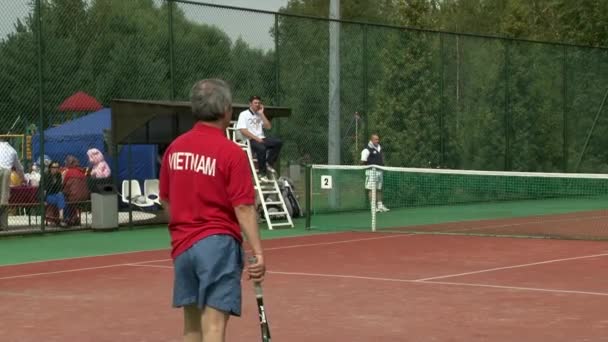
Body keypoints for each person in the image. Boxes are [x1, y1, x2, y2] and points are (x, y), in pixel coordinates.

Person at [159, 79, 266, 342]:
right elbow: (243, 207)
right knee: (214, 327)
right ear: (227, 110)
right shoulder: (231, 153)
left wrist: (181, 229)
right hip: (217, 244)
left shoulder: (174, 149)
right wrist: (258, 252)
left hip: (183, 246)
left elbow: (166, 200)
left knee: (192, 327)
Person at [236, 95, 282, 182]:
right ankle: (262, 174)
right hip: (249, 140)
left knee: (278, 142)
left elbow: (268, 127)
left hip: (261, 138)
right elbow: (243, 130)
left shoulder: (259, 114)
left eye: (259, 103)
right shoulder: (244, 114)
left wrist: (261, 114)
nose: (257, 104)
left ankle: (268, 163)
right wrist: (256, 138)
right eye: (255, 103)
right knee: (262, 148)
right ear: (250, 104)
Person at [0, 139, 25, 230]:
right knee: (4, 199)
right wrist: (23, 178)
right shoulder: (12, 150)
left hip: (4, 169)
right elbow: (19, 168)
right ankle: (3, 225)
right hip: (6, 171)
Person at [361, 133, 389, 212]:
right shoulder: (367, 150)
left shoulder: (379, 148)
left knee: (379, 188)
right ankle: (373, 207)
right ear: (372, 140)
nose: (377, 141)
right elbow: (363, 161)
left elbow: (382, 158)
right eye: (376, 139)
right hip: (371, 171)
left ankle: (380, 205)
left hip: (379, 171)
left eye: (378, 139)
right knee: (371, 189)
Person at [42, 161, 68, 227]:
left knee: (61, 195)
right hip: (47, 196)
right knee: (61, 198)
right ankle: (62, 219)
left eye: (57, 167)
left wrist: (61, 180)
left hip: (56, 195)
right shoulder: (46, 175)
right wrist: (44, 200)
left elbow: (59, 188)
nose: (55, 169)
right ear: (50, 168)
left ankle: (61, 217)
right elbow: (44, 189)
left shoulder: (58, 175)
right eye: (53, 167)